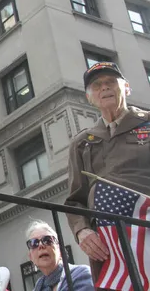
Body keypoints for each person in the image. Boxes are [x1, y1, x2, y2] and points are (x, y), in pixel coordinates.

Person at [64, 62, 150, 285]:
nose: (104, 88)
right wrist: (82, 231)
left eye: (111, 82)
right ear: (89, 97)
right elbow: (75, 202)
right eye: (97, 85)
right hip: (110, 245)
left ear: (127, 87)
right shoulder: (82, 143)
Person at [25, 220, 94, 291]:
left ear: (61, 250)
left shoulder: (81, 274)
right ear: (31, 257)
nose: (41, 245)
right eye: (33, 243)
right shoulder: (38, 287)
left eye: (48, 240)